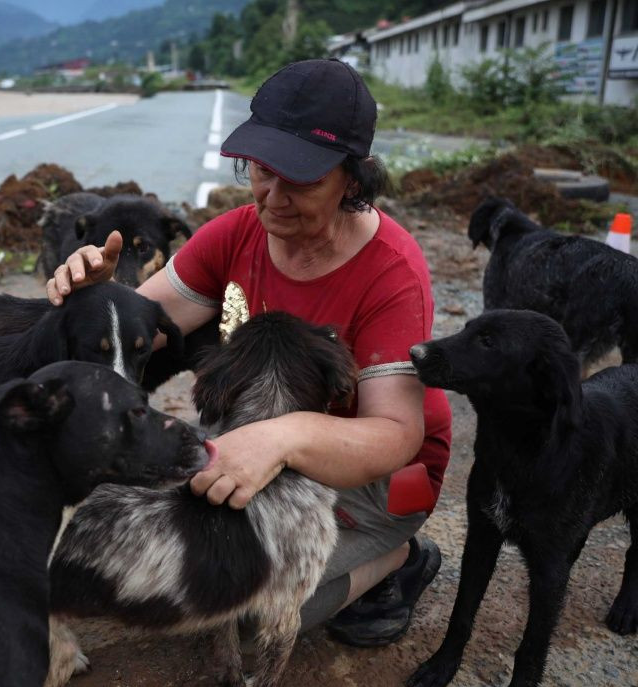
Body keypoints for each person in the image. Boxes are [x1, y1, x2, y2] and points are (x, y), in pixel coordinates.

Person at [45, 59, 452, 647]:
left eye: (304, 181)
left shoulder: (392, 272)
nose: (274, 199)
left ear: (354, 181)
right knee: (188, 575)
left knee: (254, 614)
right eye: (262, 171)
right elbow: (147, 325)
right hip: (257, 437)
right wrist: (98, 296)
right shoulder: (237, 233)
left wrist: (282, 438)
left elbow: (395, 433)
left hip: (378, 474)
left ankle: (400, 556)